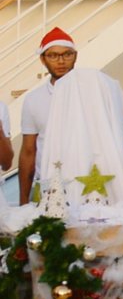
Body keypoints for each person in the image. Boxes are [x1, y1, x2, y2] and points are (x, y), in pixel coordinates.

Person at [18, 27, 79, 203]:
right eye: (53, 55)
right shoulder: (33, 99)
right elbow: (28, 151)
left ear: (75, 56)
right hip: (48, 188)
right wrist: (23, 201)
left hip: (87, 185)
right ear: (43, 60)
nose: (61, 61)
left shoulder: (91, 92)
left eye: (67, 54)